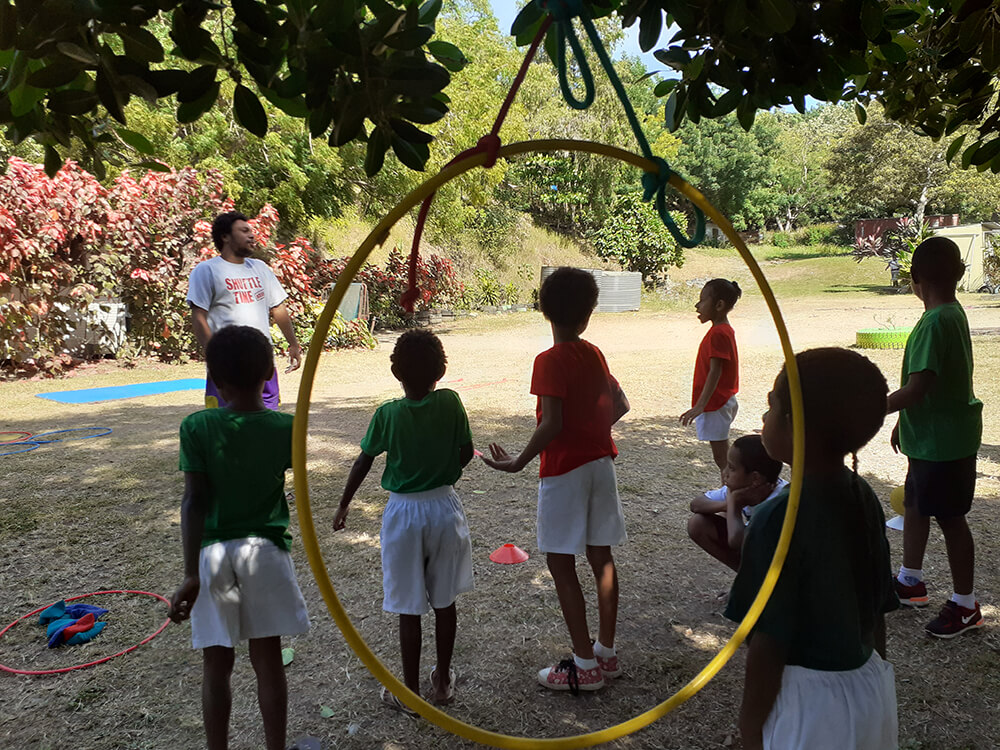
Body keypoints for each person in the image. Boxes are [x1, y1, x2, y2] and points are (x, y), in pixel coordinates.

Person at [725, 348, 899, 750]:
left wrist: (751, 731)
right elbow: (876, 613)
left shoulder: (776, 518)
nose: (764, 418)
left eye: (772, 406)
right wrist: (875, 676)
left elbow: (768, 644)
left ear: (795, 425)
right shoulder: (863, 495)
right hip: (871, 690)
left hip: (812, 706)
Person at [482, 267, 630, 694]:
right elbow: (619, 403)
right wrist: (594, 431)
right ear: (588, 316)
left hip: (564, 472)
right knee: (600, 556)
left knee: (561, 562)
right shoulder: (594, 352)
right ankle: (605, 652)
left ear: (544, 309)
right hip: (601, 465)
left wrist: (519, 462)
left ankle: (584, 667)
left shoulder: (548, 361)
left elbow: (552, 423)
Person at [168, 325, 311, 750]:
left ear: (214, 379)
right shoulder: (287, 427)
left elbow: (194, 502)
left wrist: (190, 573)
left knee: (217, 664)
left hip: (212, 557)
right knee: (268, 661)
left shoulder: (196, 426)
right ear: (270, 372)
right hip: (266, 555)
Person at [334, 329, 474, 713]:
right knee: (444, 602)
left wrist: (344, 504)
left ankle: (410, 694)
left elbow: (363, 460)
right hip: (444, 509)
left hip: (402, 516)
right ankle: (442, 683)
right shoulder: (450, 404)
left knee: (409, 607)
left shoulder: (387, 415)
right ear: (441, 372)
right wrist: (444, 471)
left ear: (396, 371)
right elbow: (465, 452)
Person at [887, 236, 984, 638]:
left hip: (942, 444)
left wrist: (869, 408)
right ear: (960, 274)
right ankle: (911, 582)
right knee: (915, 505)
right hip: (933, 438)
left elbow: (917, 388)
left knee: (950, 518)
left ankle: (965, 605)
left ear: (914, 278)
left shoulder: (934, 322)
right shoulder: (953, 313)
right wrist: (903, 421)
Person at [188, 211, 301, 410]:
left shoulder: (260, 268)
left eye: (251, 231)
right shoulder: (207, 270)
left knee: (267, 420)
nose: (252, 235)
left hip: (263, 364)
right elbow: (198, 317)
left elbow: (278, 308)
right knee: (227, 426)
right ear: (225, 237)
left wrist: (293, 344)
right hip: (227, 366)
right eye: (244, 231)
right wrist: (214, 357)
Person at [687, 433, 786, 572]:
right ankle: (747, 579)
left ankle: (758, 583)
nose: (725, 473)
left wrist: (734, 503)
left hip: (784, 564)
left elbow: (736, 541)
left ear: (755, 478)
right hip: (760, 549)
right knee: (697, 523)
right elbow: (696, 504)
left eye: (732, 468)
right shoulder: (745, 489)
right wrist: (727, 505)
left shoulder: (778, 502)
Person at [680, 278, 742, 478]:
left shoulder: (718, 333)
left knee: (723, 459)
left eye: (702, 300)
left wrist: (700, 405)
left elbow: (716, 372)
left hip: (716, 403)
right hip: (720, 401)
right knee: (723, 457)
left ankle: (732, 495)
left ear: (719, 305)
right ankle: (731, 492)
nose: (697, 305)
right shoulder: (722, 330)